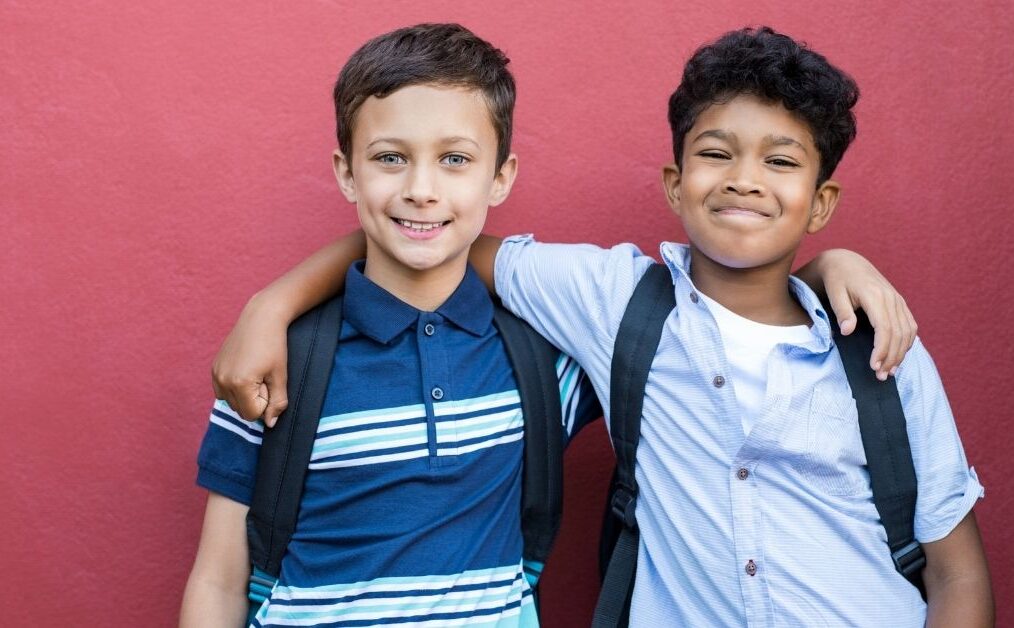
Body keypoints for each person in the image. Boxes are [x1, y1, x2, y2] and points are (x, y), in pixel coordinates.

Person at [206, 26, 967, 627]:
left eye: (780, 163)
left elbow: (958, 573)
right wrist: (272, 303)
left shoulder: (877, 345)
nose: (744, 179)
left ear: (821, 200)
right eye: (716, 154)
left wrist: (833, 266)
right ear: (675, 182)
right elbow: (433, 236)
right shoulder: (610, 306)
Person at [180, 24, 602, 627]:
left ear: (501, 177)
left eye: (454, 159)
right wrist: (269, 311)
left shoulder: (543, 362)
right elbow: (218, 579)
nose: (421, 190)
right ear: (347, 172)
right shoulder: (276, 366)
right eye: (390, 158)